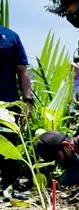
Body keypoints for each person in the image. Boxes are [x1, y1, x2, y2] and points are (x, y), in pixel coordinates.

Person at [0, 22, 33, 197]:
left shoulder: (11, 37)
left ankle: (8, 188)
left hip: (7, 102)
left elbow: (22, 71)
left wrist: (27, 100)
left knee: (10, 144)